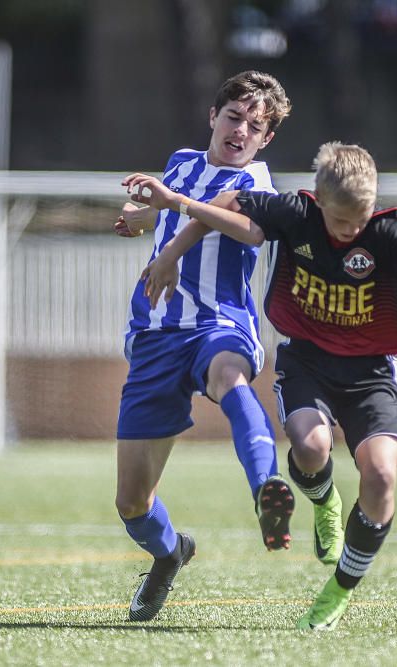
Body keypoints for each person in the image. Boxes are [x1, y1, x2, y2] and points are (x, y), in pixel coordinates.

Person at [125, 141, 397, 630]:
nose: (352, 232)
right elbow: (225, 206)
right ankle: (324, 501)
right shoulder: (294, 212)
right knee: (308, 446)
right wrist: (170, 219)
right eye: (342, 222)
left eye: (359, 220)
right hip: (308, 362)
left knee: (382, 476)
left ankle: (338, 592)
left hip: (371, 373)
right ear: (320, 202)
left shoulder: (386, 230)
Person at [112, 70, 297, 623]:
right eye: (234, 116)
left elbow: (248, 230)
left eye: (255, 126)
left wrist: (172, 211)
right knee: (132, 503)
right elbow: (178, 207)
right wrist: (147, 219)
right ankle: (170, 555)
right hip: (154, 334)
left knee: (229, 377)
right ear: (213, 118)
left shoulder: (260, 182)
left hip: (221, 324)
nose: (241, 130)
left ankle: (268, 487)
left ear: (265, 140)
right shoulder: (182, 163)